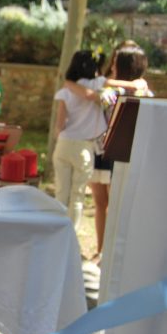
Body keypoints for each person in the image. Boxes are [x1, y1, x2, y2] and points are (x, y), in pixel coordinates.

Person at [64, 41, 152, 264]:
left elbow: (93, 95)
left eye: (115, 63)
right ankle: (103, 251)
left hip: (117, 154)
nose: (111, 66)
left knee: (111, 204)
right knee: (103, 204)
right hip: (104, 151)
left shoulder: (119, 92)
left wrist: (69, 82)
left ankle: (110, 253)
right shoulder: (139, 89)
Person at [52, 50, 107, 232]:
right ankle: (71, 234)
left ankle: (56, 231)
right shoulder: (99, 86)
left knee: (61, 192)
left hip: (64, 143)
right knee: (77, 196)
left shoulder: (66, 90)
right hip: (84, 146)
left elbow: (60, 124)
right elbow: (110, 95)